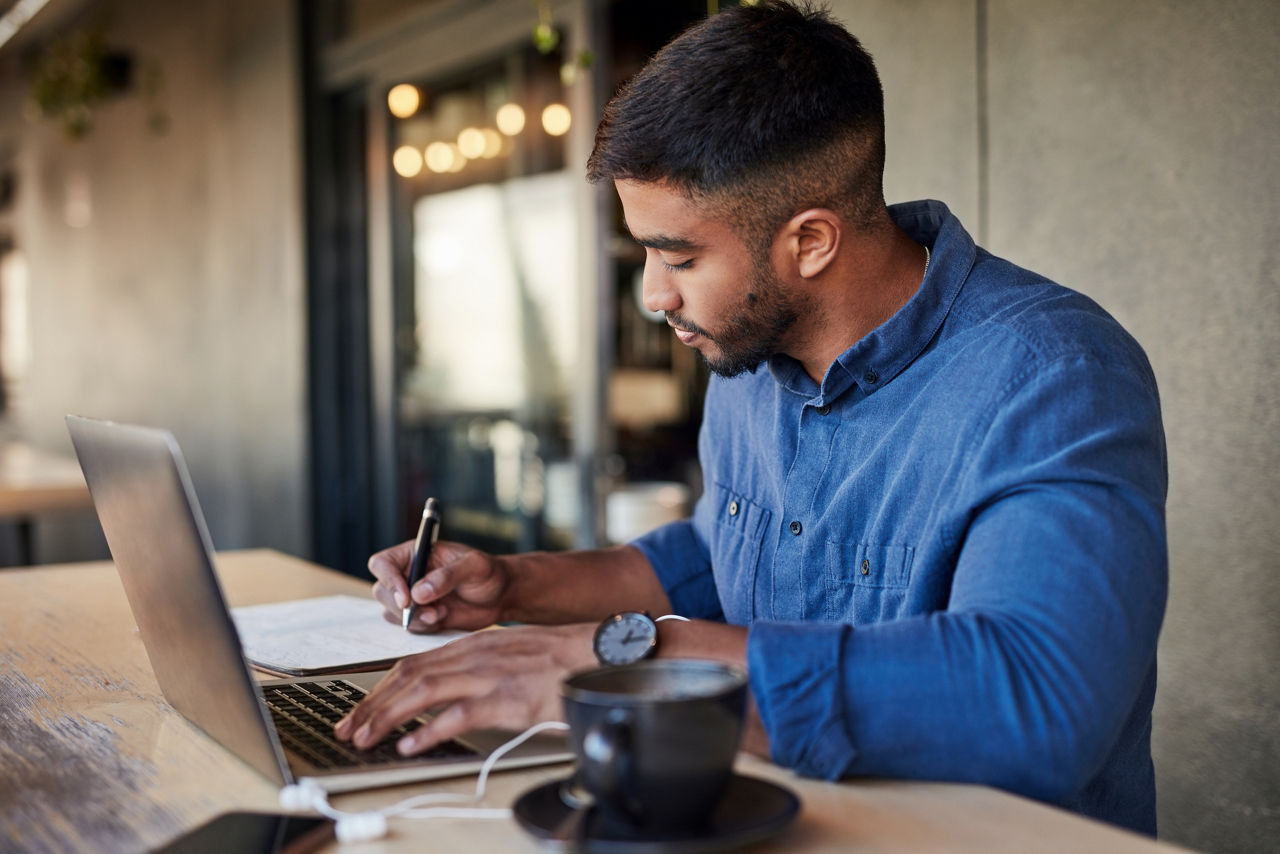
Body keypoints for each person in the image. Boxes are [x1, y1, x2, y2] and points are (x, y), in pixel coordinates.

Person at [335, 0, 1167, 835]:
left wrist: (626, 661)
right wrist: (517, 588)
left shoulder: (1053, 374)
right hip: (761, 821)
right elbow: (713, 554)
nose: (656, 296)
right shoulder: (746, 353)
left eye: (681, 257)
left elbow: (1037, 700)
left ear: (809, 242)